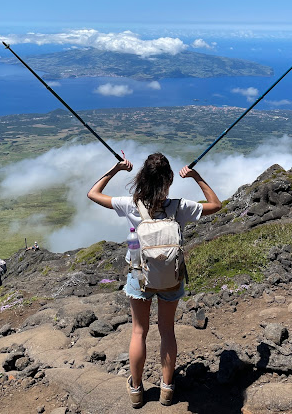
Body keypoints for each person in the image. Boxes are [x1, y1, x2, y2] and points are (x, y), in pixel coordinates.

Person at [87, 153, 221, 408]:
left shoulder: (130, 204)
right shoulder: (180, 207)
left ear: (142, 179)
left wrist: (115, 169)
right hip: (171, 277)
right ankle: (167, 389)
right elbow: (216, 205)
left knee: (139, 331)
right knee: (167, 331)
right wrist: (196, 177)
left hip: (139, 275)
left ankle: (137, 390)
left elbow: (93, 194)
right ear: (169, 180)